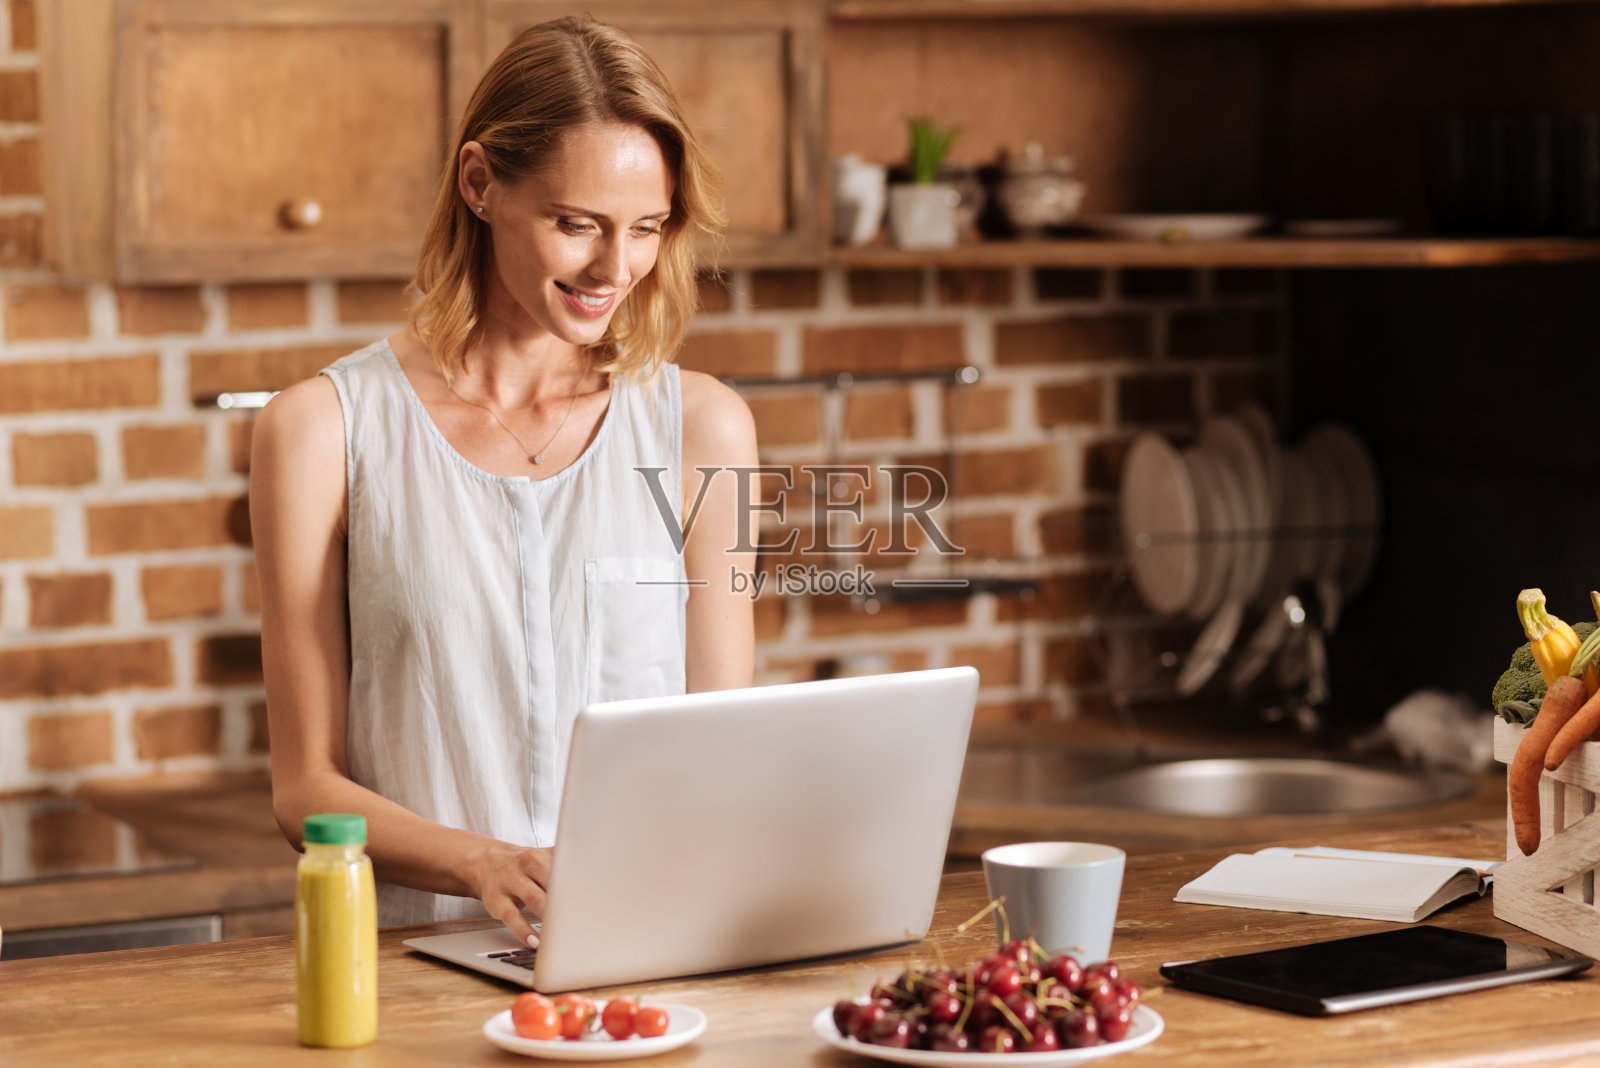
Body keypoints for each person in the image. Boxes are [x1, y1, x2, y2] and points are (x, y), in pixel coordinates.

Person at [249, 16, 757, 950]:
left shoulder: (702, 428)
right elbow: (304, 792)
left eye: (646, 229)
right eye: (577, 225)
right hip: (415, 971)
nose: (616, 270)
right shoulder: (320, 432)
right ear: (479, 183)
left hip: (647, 963)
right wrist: (482, 863)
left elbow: (719, 751)